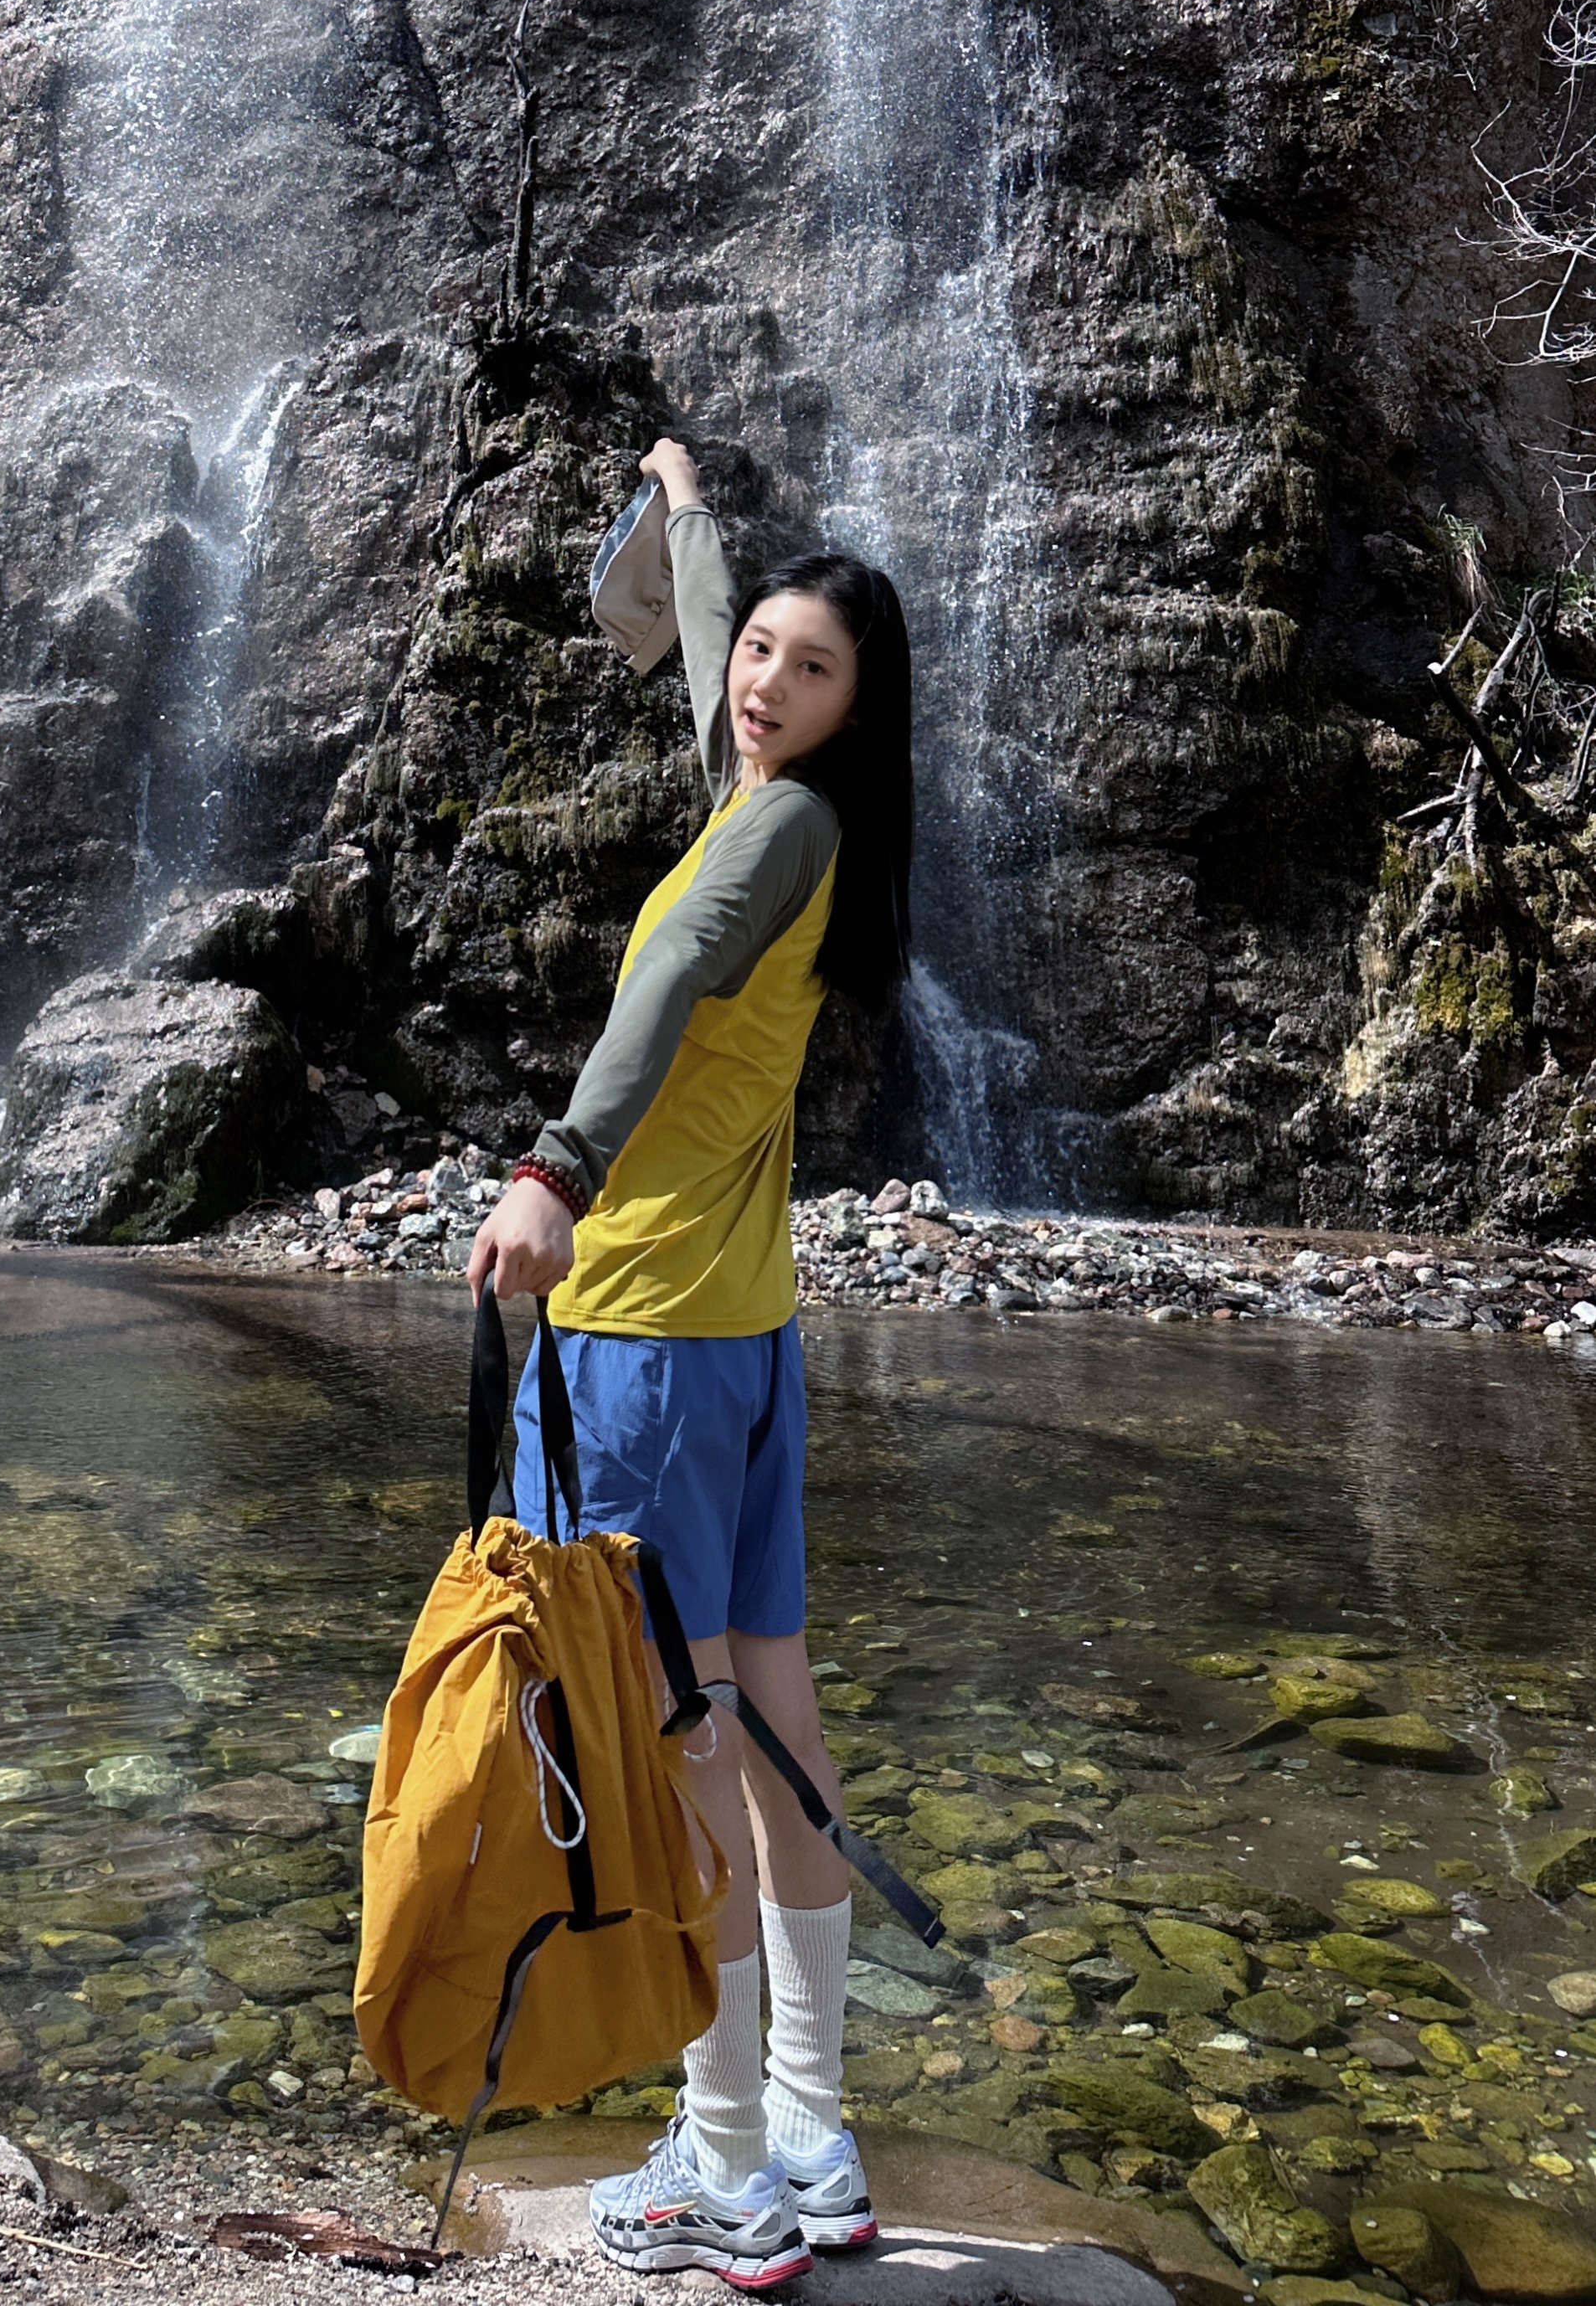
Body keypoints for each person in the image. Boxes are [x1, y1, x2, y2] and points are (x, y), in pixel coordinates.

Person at [466, 435, 913, 2293]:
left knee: (689, 1749)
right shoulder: (799, 804)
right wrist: (694, 515)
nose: (763, 679)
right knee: (778, 1729)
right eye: (761, 654)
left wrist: (552, 1172)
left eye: (812, 670)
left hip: (644, 1339)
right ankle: (809, 2128)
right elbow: (722, 636)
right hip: (746, 1342)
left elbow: (657, 994)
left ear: (858, 710)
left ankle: (722, 2164)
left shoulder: (775, 836)